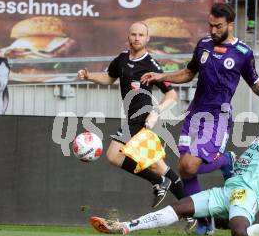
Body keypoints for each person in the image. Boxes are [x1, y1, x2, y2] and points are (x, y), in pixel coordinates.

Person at [90, 81, 259, 236]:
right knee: (181, 208)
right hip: (227, 191)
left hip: (246, 193)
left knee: (239, 232)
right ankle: (124, 226)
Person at [140, 3, 259, 235]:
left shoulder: (243, 52)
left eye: (218, 26)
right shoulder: (203, 45)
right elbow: (188, 73)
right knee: (185, 170)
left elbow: (254, 82)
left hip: (218, 117)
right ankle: (205, 223)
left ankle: (226, 161)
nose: (213, 30)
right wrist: (162, 75)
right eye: (210, 25)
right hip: (195, 114)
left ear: (230, 24)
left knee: (191, 164)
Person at [77, 22, 185, 209]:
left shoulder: (150, 64)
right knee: (157, 166)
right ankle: (194, 211)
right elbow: (110, 77)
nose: (137, 38)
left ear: (147, 39)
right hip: (131, 119)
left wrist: (156, 112)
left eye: (141, 35)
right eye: (133, 34)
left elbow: (172, 94)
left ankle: (186, 205)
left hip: (142, 120)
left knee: (116, 156)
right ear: (128, 37)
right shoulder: (121, 59)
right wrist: (89, 76)